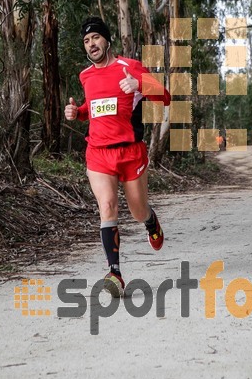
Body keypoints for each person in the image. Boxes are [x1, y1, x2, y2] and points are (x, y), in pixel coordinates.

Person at [64, 16, 171, 298]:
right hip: (98, 153)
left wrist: (140, 86)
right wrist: (79, 113)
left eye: (95, 38)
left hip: (130, 151)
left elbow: (166, 96)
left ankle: (150, 221)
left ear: (107, 39)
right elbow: (95, 106)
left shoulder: (130, 68)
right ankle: (115, 273)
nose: (91, 44)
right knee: (108, 205)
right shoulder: (86, 76)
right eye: (86, 41)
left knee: (137, 210)